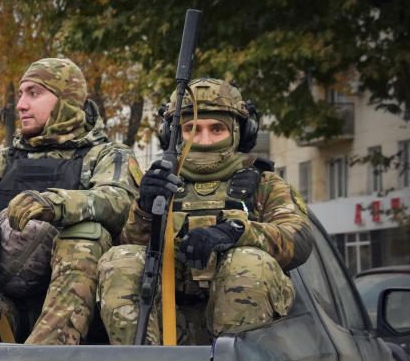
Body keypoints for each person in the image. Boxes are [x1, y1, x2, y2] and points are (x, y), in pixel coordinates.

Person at [0, 57, 140, 345]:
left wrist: (55, 205)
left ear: (66, 100)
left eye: (34, 93)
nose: (21, 105)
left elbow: (117, 201)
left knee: (86, 235)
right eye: (20, 94)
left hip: (75, 305)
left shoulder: (106, 155)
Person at [97, 78, 313, 345]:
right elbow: (130, 248)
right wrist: (145, 209)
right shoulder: (159, 184)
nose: (204, 140)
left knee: (248, 262)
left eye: (217, 129)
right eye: (192, 130)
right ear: (174, 135)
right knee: (120, 259)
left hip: (244, 341)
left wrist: (234, 232)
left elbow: (298, 238)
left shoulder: (265, 184)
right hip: (165, 327)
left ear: (239, 133)